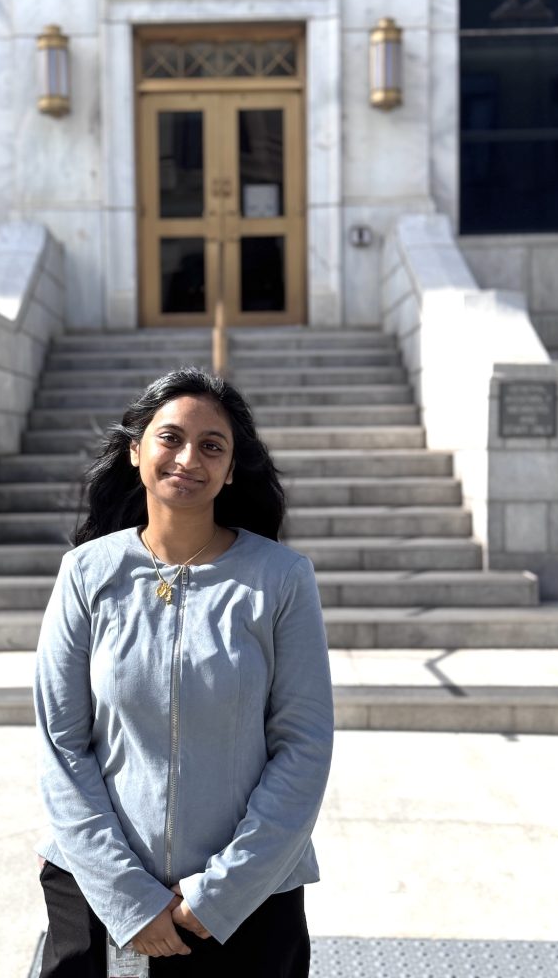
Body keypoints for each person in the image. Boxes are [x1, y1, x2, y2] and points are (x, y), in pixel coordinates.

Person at [33, 367, 334, 977]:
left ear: (230, 469)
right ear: (135, 450)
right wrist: (128, 897)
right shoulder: (86, 574)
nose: (188, 458)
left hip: (246, 900)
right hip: (93, 889)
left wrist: (218, 893)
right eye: (170, 438)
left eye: (212, 446)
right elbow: (61, 745)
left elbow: (303, 747)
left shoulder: (280, 579)